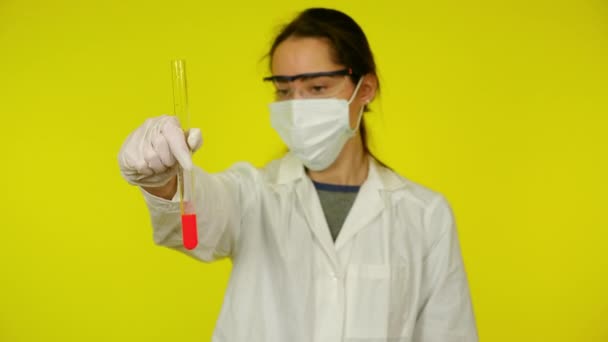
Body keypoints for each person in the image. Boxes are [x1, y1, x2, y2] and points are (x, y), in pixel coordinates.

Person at [118, 7, 478, 342]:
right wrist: (161, 180)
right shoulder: (253, 194)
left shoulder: (425, 216)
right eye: (284, 90)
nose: (297, 106)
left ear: (364, 89)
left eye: (317, 88)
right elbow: (199, 218)